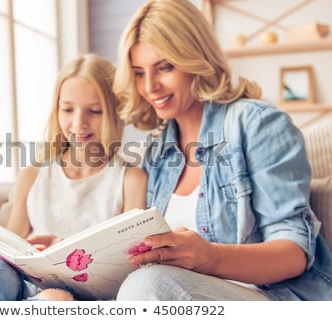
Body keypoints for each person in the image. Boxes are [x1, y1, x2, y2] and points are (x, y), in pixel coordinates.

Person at [112, 0, 331, 300]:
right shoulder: (154, 151)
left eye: (165, 67)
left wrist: (211, 257)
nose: (150, 87)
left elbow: (294, 253)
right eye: (139, 72)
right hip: (182, 302)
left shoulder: (256, 124)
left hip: (269, 298)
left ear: (194, 58)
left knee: (149, 285)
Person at [0, 54, 147, 301]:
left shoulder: (130, 180)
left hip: (82, 296)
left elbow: (129, 262)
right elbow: (11, 242)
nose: (78, 123)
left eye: (94, 111)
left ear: (115, 113)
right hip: (24, 287)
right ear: (56, 110)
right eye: (67, 109)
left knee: (56, 299)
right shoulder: (33, 174)